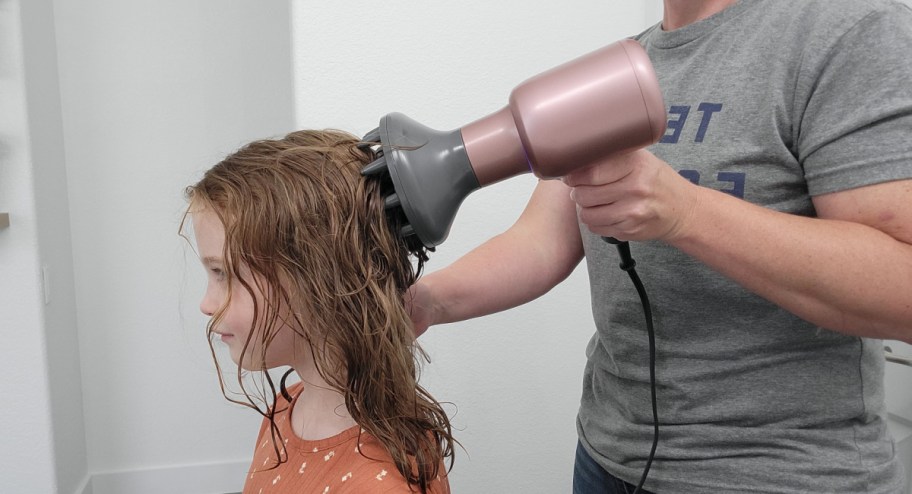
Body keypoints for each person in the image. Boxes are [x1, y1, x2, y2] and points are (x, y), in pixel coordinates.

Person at [407, 0, 912, 492]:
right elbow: (539, 241)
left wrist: (687, 213)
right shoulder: (618, 68)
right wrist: (423, 303)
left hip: (782, 473)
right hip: (606, 458)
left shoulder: (849, 29)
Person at [183, 129, 454, 493]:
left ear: (315, 280)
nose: (206, 304)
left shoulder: (378, 485)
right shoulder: (286, 408)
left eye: (222, 273)